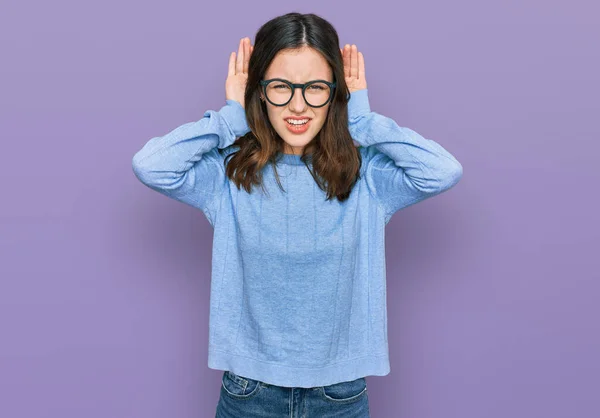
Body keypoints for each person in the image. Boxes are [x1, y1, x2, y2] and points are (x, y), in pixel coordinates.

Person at [132, 12, 462, 418]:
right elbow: (151, 165)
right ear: (260, 91)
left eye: (316, 87)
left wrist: (363, 121)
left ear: (336, 92)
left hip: (340, 396)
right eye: (281, 87)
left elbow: (442, 171)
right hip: (248, 394)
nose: (298, 105)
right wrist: (228, 118)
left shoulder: (369, 175)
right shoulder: (226, 173)